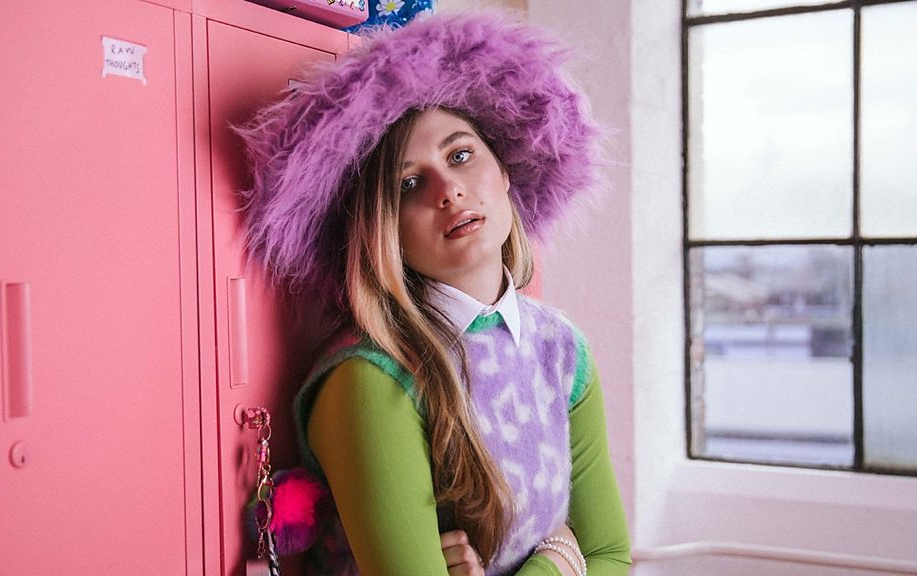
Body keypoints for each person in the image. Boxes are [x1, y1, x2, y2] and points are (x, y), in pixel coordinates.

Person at [239, 12, 631, 576]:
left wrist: (571, 558)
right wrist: (562, 557)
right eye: (409, 183)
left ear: (505, 173)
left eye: (461, 155)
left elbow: (612, 556)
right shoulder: (373, 377)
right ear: (383, 228)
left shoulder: (562, 350)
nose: (448, 191)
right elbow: (589, 557)